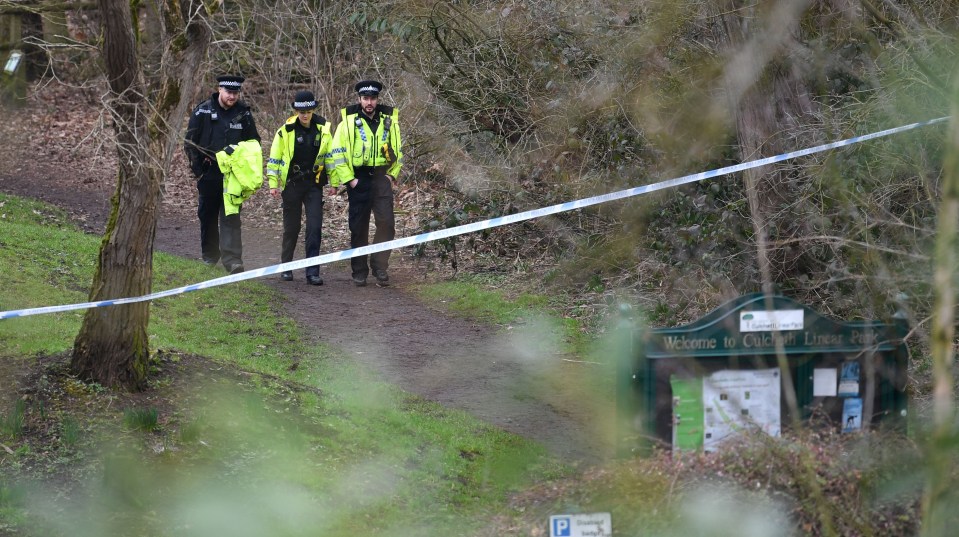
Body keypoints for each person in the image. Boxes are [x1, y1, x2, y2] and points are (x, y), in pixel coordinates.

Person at [327, 80, 403, 287]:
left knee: (386, 223)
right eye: (365, 98)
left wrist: (391, 176)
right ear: (359, 99)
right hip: (358, 178)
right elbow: (338, 154)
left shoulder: (390, 122)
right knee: (358, 227)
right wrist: (350, 180)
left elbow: (398, 151)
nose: (369, 102)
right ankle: (359, 270)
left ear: (378, 99)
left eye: (373, 98)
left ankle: (380, 267)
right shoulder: (347, 123)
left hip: (382, 177)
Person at [184, 74, 261, 274]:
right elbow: (190, 143)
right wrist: (199, 172)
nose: (232, 97)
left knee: (231, 217)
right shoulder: (202, 111)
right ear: (220, 89)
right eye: (228, 92)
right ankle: (210, 256)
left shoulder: (243, 114)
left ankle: (233, 260)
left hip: (233, 176)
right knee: (207, 215)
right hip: (209, 174)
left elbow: (254, 144)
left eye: (235, 93)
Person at [266, 90, 333, 286]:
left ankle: (312, 271)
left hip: (314, 184)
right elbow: (274, 159)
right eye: (301, 111)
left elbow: (330, 157)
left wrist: (335, 182)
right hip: (292, 184)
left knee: (314, 227)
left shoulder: (323, 130)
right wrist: (273, 184)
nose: (304, 115)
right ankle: (286, 267)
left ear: (313, 110)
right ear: (295, 110)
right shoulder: (284, 131)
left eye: (308, 111)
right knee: (291, 228)